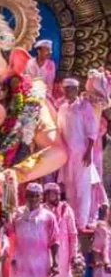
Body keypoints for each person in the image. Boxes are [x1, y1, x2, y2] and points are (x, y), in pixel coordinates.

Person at [8, 182, 59, 277]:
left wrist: (56, 263)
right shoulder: (16, 214)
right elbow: (9, 234)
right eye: (31, 196)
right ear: (25, 196)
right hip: (21, 264)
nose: (34, 199)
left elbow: (55, 241)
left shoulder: (48, 217)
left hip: (40, 265)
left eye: (37, 196)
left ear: (41, 197)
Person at [57, 76, 101, 230]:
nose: (68, 91)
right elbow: (60, 130)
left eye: (71, 89)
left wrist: (89, 151)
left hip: (82, 153)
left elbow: (92, 130)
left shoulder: (84, 106)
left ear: (76, 90)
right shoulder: (62, 108)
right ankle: (71, 222)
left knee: (82, 187)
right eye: (66, 89)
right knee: (69, 188)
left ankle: (81, 222)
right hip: (67, 155)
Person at [44, 180, 79, 277]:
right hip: (46, 254)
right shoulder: (42, 210)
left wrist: (74, 255)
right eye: (54, 194)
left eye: (59, 193)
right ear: (46, 195)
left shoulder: (66, 209)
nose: (57, 196)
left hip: (63, 256)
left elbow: (73, 234)